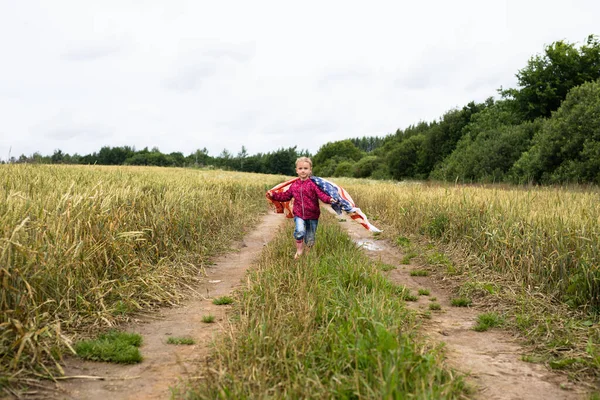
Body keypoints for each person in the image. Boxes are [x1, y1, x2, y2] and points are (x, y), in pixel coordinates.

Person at [266, 157, 337, 259]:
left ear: (310, 170)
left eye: (305, 168)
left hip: (313, 215)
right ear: (296, 170)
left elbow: (322, 195)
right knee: (299, 231)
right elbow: (286, 196)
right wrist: (274, 195)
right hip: (298, 214)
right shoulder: (294, 185)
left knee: (310, 238)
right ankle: (299, 250)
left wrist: (329, 199)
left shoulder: (313, 184)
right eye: (300, 168)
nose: (303, 170)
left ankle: (308, 252)